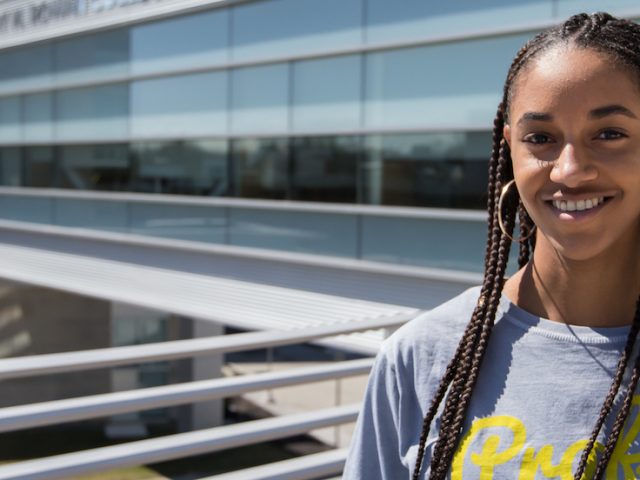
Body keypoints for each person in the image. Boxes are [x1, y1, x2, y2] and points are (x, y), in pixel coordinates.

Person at [342, 12, 640, 480]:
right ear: (509, 150)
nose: (569, 169)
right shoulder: (421, 358)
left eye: (609, 134)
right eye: (540, 138)